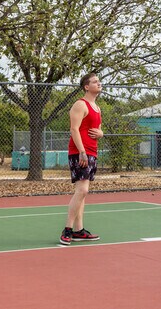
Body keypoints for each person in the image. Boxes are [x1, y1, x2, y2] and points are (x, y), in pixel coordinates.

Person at [59, 73, 104, 245]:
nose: (98, 83)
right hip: (80, 152)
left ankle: (79, 230)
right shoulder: (80, 104)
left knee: (82, 192)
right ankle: (67, 229)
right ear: (86, 86)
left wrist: (102, 133)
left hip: (92, 152)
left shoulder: (97, 107)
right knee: (82, 191)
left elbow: (98, 129)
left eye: (99, 81)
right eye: (94, 82)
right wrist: (82, 151)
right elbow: (74, 129)